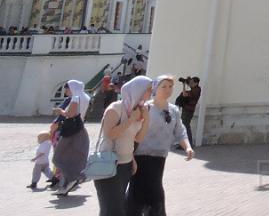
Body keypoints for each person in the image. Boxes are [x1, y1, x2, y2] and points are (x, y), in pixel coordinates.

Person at [127, 75, 193, 216]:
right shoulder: (146, 107)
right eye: (164, 86)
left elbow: (180, 131)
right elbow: (132, 131)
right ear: (155, 88)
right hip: (140, 157)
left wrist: (187, 147)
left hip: (159, 158)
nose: (168, 90)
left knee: (155, 192)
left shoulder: (173, 110)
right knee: (138, 193)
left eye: (170, 86)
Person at [95, 75, 153, 216]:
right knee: (112, 209)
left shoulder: (138, 110)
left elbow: (138, 138)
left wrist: (146, 119)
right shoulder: (115, 108)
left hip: (125, 166)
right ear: (138, 90)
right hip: (108, 163)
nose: (151, 93)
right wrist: (131, 119)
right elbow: (110, 134)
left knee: (117, 207)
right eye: (148, 89)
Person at [51, 79, 90, 196]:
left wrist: (60, 111)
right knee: (71, 158)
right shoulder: (85, 98)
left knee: (58, 158)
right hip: (80, 129)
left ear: (72, 88)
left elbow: (70, 114)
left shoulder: (75, 98)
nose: (65, 91)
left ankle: (75, 178)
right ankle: (66, 185)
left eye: (67, 89)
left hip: (70, 131)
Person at [180, 76, 201, 146]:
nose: (190, 84)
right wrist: (186, 81)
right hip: (187, 109)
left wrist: (183, 85)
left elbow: (184, 94)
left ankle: (189, 143)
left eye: (192, 82)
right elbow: (190, 86)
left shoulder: (196, 90)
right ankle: (185, 143)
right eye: (190, 82)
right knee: (185, 126)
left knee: (185, 126)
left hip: (188, 110)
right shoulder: (195, 88)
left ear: (196, 83)